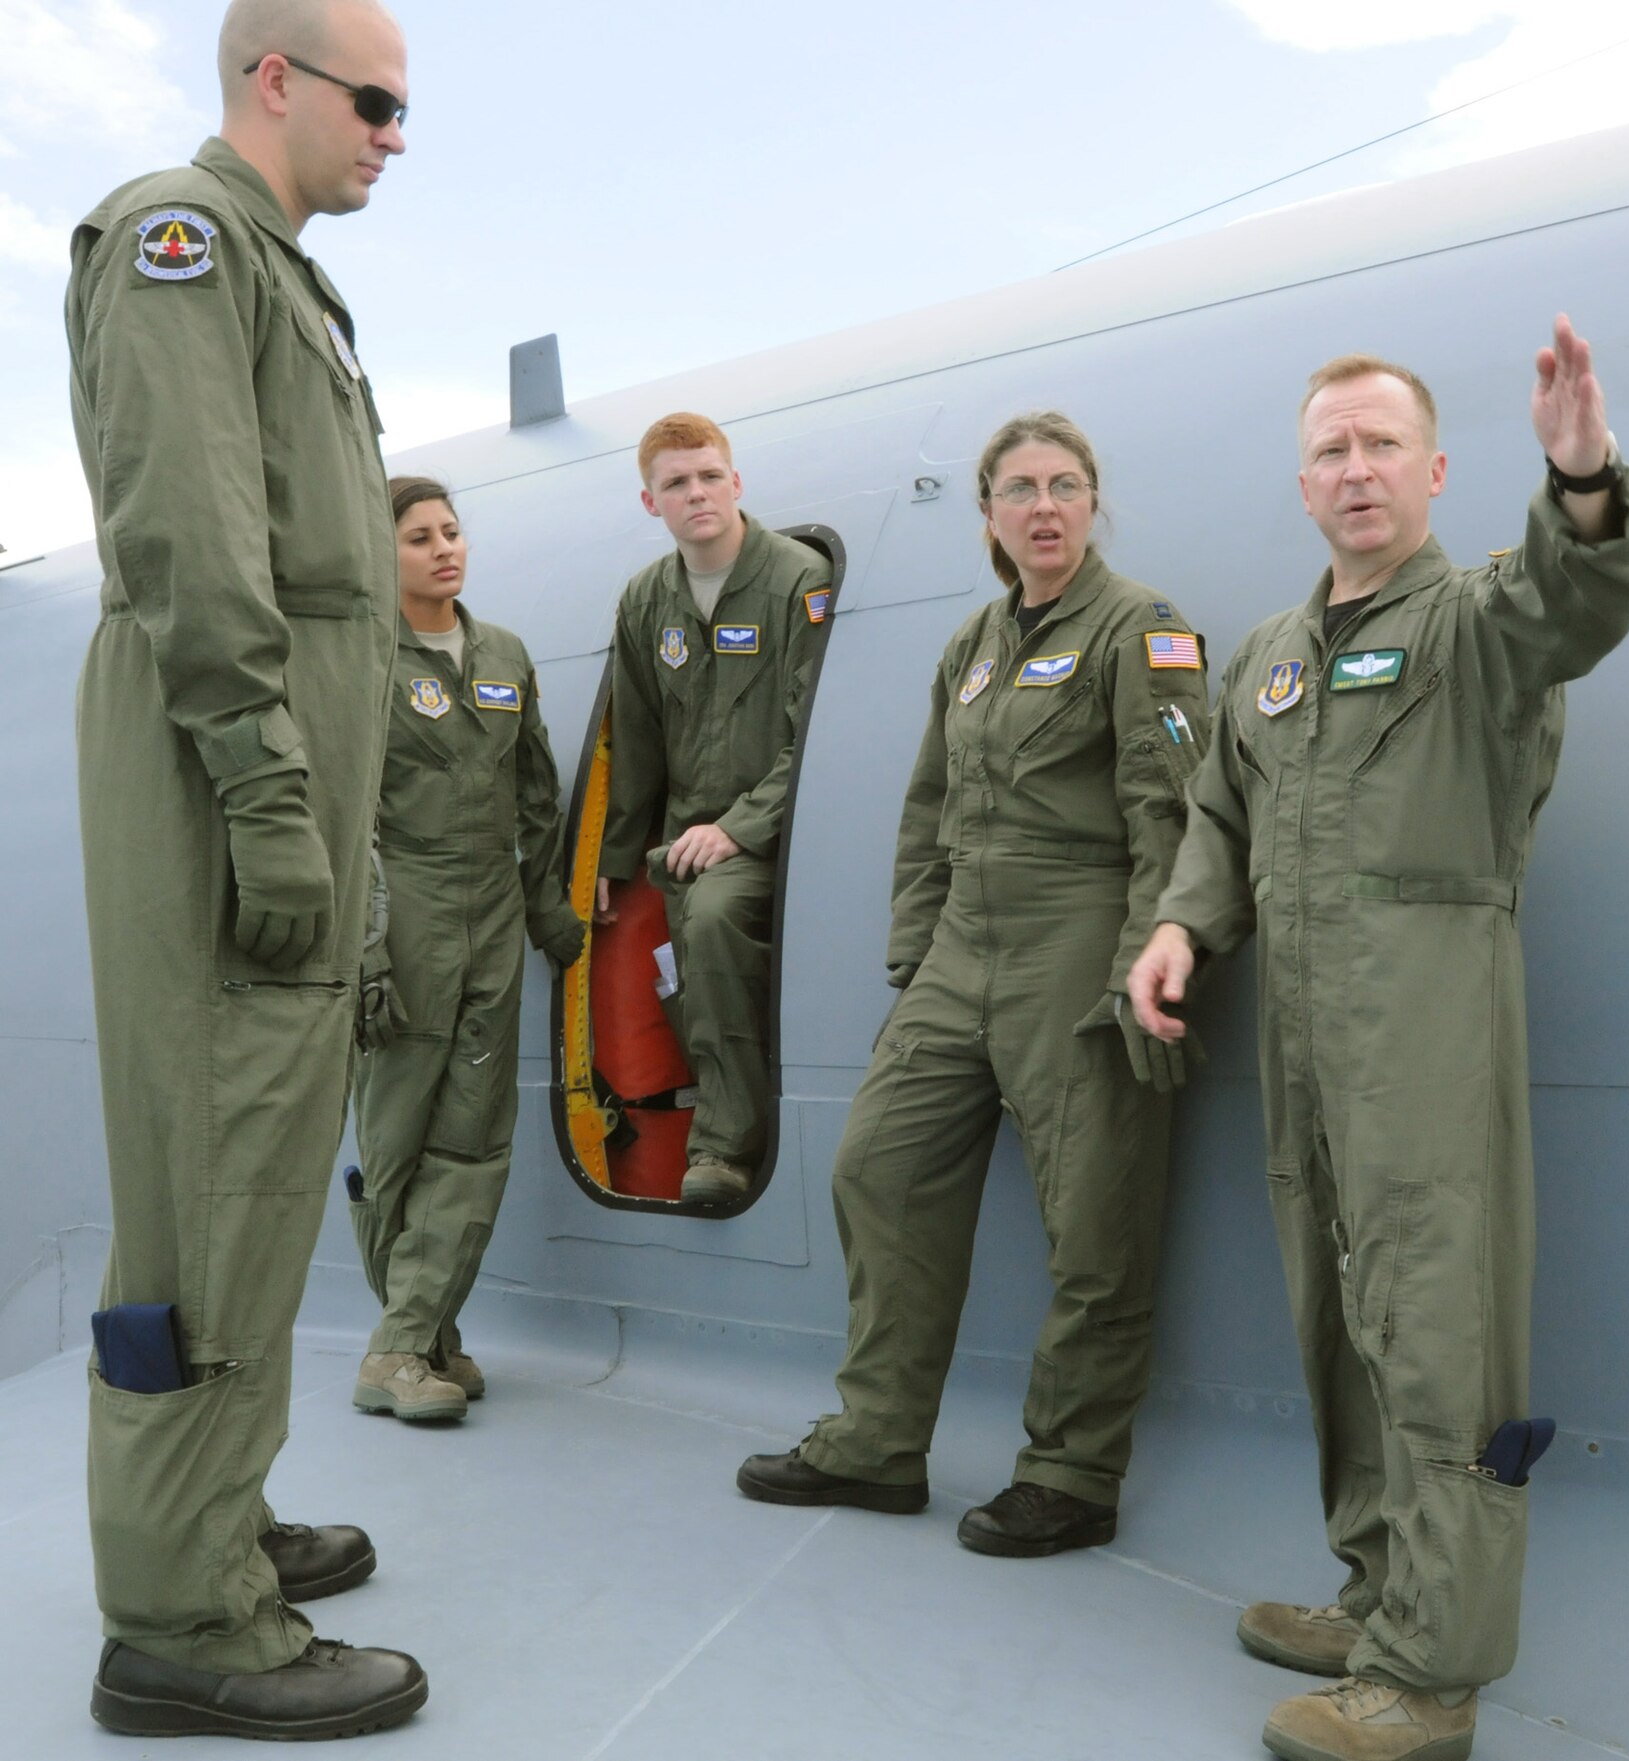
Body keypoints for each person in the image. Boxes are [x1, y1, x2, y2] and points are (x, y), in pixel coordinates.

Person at [1127, 319, 1629, 1761]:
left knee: (1436, 1326)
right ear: (1303, 485)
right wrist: (1182, 928)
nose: (1355, 469)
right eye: (1329, 451)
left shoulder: (1481, 624)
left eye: (1380, 446)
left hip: (1426, 1022)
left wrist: (1585, 479)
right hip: (1304, 1037)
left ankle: (1432, 1676)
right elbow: (1220, 822)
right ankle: (1378, 1591)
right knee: (1336, 1316)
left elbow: (1586, 596)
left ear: (1431, 470)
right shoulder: (1270, 658)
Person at [64, 0, 428, 1740]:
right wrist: (276, 807)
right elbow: (198, 550)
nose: (395, 131)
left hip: (272, 790)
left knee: (267, 1167)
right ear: (271, 79)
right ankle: (178, 1617)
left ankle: (222, 1513)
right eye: (377, 98)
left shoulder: (284, 278)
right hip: (227, 791)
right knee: (210, 1179)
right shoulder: (181, 239)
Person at [736, 412, 1210, 1556]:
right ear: (989, 515)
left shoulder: (1140, 629)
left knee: (1096, 1218)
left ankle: (1071, 1472)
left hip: (1079, 933)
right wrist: (915, 955)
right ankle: (878, 1440)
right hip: (963, 946)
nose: (1042, 507)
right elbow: (926, 808)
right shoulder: (976, 644)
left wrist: (1147, 960)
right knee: (878, 1168)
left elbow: (1172, 811)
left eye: (1063, 485)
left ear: (1092, 502)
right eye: (1017, 490)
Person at [346, 477, 586, 1421]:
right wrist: (368, 943)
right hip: (405, 914)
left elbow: (538, 799)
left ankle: (411, 1341)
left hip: (489, 916)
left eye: (451, 532)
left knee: (476, 1139)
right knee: (396, 1140)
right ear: (382, 552)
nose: (443, 549)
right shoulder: (364, 660)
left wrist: (546, 913)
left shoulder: (504, 656)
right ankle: (413, 1338)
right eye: (417, 537)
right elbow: (349, 816)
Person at [595, 413, 833, 1204]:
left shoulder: (797, 582)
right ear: (648, 501)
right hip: (686, 842)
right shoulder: (645, 600)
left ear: (737, 482)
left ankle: (726, 1147)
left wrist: (738, 828)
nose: (695, 493)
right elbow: (636, 743)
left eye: (708, 476)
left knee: (712, 919)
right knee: (666, 929)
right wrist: (609, 862)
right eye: (675, 483)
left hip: (776, 829)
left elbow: (815, 735)